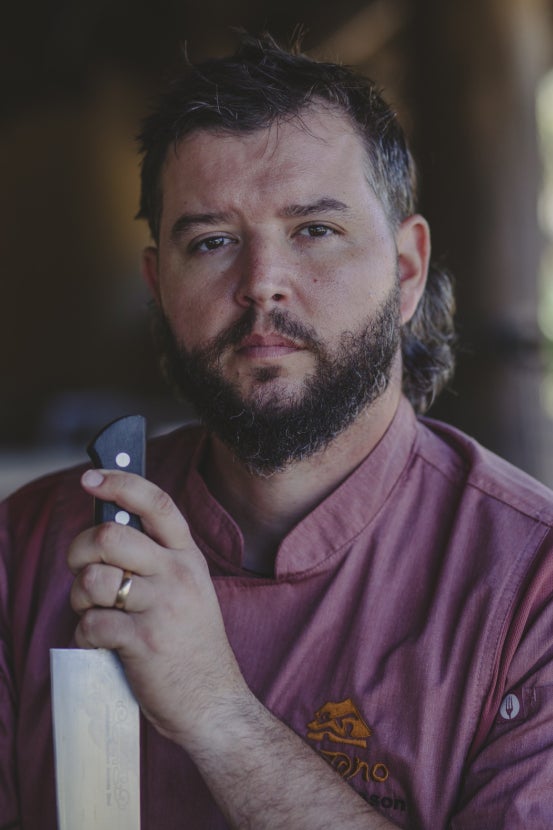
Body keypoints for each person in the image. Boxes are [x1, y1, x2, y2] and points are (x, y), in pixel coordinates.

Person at [1, 33, 553, 830]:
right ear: (159, 287)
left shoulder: (529, 588)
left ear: (404, 270)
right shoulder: (32, 549)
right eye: (212, 242)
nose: (262, 283)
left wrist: (216, 711)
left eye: (314, 230)